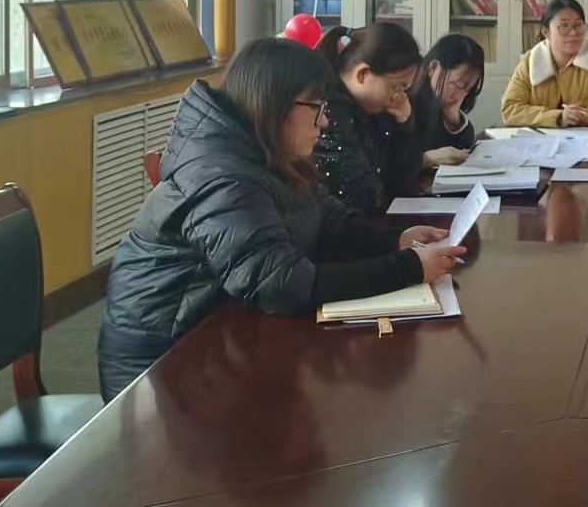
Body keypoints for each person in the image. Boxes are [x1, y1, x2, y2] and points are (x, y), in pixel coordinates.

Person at [98, 38, 464, 401]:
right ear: (274, 104)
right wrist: (410, 267)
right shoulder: (221, 175)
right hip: (162, 368)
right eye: (316, 108)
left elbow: (330, 219)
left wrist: (396, 240)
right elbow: (281, 284)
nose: (325, 121)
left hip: (222, 334)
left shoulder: (267, 150)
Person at [312, 23, 426, 212]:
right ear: (363, 74)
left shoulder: (371, 109)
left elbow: (401, 180)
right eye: (397, 87)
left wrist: (405, 124)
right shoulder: (330, 113)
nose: (399, 97)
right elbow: (364, 195)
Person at [500, 0, 588, 127]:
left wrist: (572, 116)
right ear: (546, 32)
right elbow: (510, 109)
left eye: (578, 25)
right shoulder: (530, 61)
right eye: (564, 26)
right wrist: (558, 117)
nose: (573, 32)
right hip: (539, 138)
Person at [410, 33, 485, 166]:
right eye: (457, 85)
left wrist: (454, 120)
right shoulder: (405, 101)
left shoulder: (445, 106)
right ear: (434, 68)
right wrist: (426, 159)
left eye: (468, 89)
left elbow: (462, 152)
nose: (461, 95)